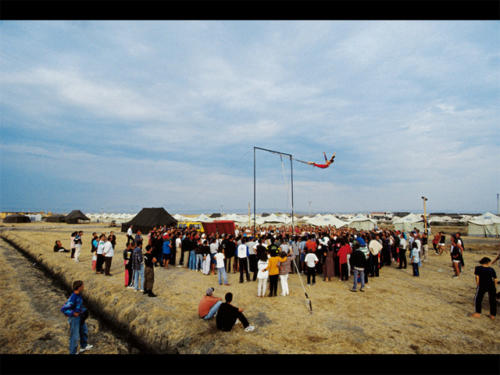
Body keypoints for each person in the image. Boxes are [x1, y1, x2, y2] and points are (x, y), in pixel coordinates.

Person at [60, 280, 93, 354]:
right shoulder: (73, 297)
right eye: (82, 286)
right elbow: (63, 309)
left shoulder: (78, 295)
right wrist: (73, 313)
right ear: (79, 287)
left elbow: (78, 305)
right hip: (74, 319)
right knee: (74, 336)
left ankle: (83, 346)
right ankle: (73, 352)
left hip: (80, 317)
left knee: (84, 331)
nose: (83, 287)